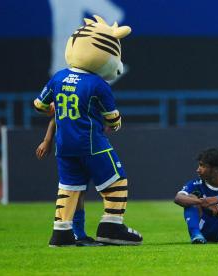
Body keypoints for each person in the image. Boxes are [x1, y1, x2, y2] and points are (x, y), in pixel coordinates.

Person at [33, 15, 142, 247]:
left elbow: (40, 106)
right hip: (91, 143)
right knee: (116, 181)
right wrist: (116, 124)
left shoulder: (58, 77)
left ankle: (62, 233)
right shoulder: (97, 84)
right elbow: (112, 119)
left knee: (70, 189)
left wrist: (54, 112)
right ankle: (111, 227)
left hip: (64, 146)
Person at [36, 117, 101, 246]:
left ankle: (79, 234)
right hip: (73, 148)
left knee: (80, 191)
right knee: (74, 190)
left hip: (85, 146)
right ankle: (76, 234)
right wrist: (47, 140)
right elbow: (54, 118)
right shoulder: (75, 96)